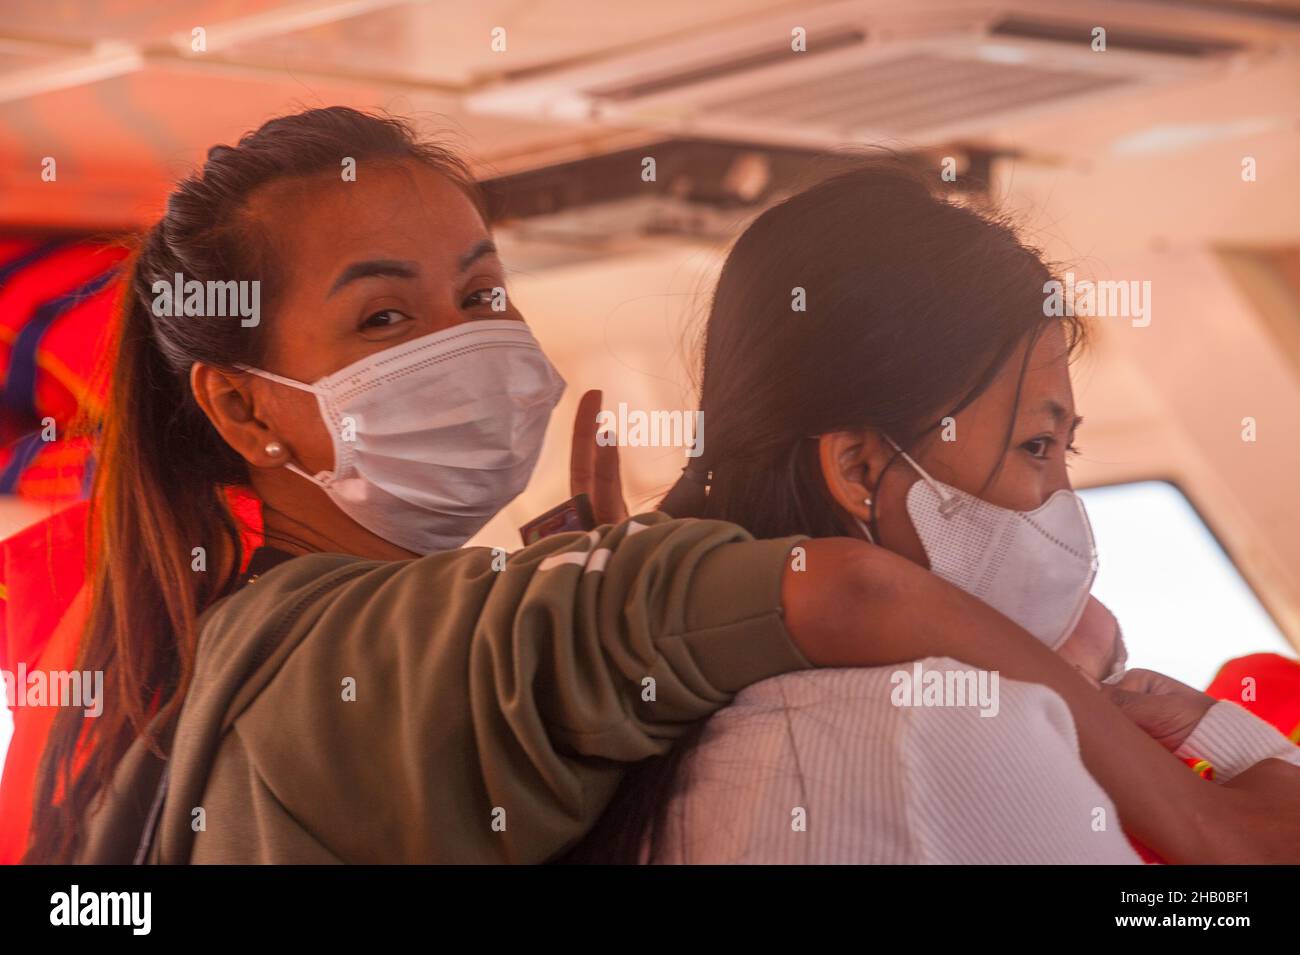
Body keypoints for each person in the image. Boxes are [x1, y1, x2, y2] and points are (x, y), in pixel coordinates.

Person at [16, 109, 1295, 864]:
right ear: (239, 405)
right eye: (383, 320)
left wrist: (576, 571)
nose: (463, 345)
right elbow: (838, 588)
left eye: (478, 295)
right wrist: (1200, 814)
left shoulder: (233, 655)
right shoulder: (337, 654)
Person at [565, 161, 1300, 864]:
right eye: (1034, 445)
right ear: (859, 469)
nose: (1060, 506)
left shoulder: (693, 725)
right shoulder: (945, 734)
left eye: (1064, 451)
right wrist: (1226, 739)